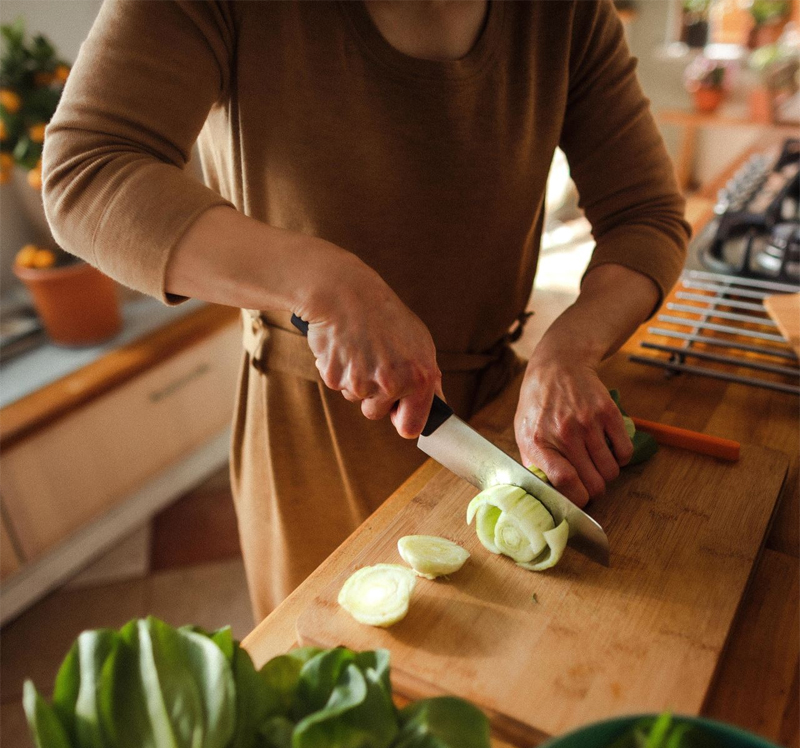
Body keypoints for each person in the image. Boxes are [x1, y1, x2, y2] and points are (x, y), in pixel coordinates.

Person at [42, 0, 690, 621]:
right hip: (312, 439)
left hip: (495, 411)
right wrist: (327, 285)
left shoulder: (569, 11)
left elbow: (646, 214)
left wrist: (569, 350)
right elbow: (87, 171)